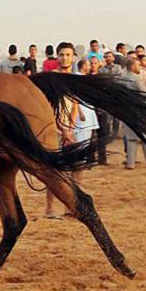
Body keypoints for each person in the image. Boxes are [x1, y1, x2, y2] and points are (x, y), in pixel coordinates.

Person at [46, 42, 81, 219]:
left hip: (70, 128)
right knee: (54, 170)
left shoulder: (74, 79)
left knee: (76, 167)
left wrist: (71, 127)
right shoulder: (53, 78)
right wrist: (63, 129)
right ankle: (50, 208)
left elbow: (75, 104)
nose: (64, 57)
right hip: (53, 128)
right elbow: (50, 107)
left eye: (68, 54)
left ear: (73, 56)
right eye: (61, 54)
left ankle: (71, 205)